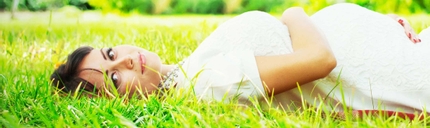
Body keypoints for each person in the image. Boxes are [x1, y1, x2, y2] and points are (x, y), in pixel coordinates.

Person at [50, 3, 429, 114]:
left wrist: (384, 29)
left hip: (398, 48)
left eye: (111, 54)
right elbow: (319, 59)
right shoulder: (206, 82)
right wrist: (295, 12)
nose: (126, 62)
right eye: (114, 79)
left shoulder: (189, 68)